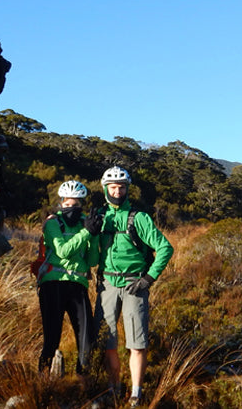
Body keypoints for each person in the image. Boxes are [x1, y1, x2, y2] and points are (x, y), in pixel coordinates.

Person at [91, 166, 173, 407]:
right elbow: (92, 254)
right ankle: (113, 388)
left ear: (127, 189)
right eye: (113, 187)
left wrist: (148, 278)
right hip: (106, 283)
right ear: (105, 189)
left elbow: (165, 248)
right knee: (108, 342)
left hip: (134, 284)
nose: (118, 191)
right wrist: (90, 232)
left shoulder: (140, 218)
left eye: (122, 187)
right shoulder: (99, 216)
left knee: (137, 342)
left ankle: (136, 393)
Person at [36, 180, 100, 375]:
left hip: (78, 285)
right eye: (68, 205)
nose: (72, 208)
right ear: (61, 202)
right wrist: (87, 232)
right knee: (52, 337)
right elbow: (63, 251)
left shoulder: (85, 223)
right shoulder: (52, 222)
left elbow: (91, 261)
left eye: (77, 204)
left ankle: (83, 382)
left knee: (86, 339)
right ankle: (42, 380)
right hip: (53, 283)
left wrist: (95, 234)